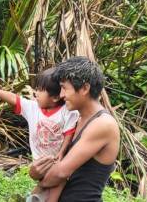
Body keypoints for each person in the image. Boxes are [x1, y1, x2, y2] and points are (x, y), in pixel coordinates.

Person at [29, 56, 120, 201]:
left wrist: (36, 178)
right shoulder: (79, 119)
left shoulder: (103, 124)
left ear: (84, 88)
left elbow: (61, 172)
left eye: (64, 88)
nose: (61, 95)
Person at [0, 68, 79, 201]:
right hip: (39, 164)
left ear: (56, 97)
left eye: (41, 90)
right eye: (37, 88)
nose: (36, 93)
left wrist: (61, 153)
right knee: (45, 189)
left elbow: (69, 133)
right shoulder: (33, 108)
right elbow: (14, 99)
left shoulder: (66, 112)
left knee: (55, 190)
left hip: (58, 164)